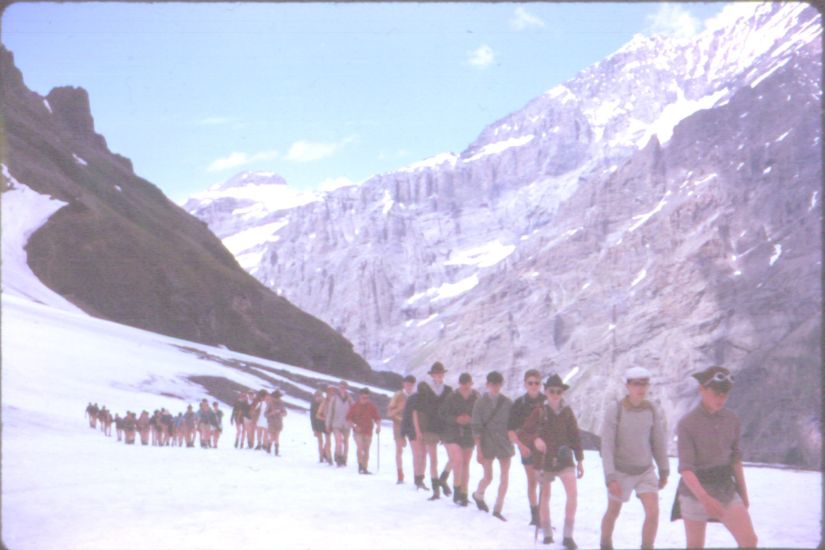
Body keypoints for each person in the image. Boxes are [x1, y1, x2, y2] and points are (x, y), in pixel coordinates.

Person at [673, 366, 757, 549]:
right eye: (717, 393)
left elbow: (735, 458)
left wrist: (743, 493)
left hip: (724, 486)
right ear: (702, 390)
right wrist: (704, 498)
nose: (721, 399)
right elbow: (686, 468)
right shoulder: (687, 423)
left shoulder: (732, 419)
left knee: (749, 541)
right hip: (694, 490)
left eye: (725, 394)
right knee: (695, 546)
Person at [599, 366, 669, 550]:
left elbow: (658, 441)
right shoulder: (615, 410)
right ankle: (605, 544)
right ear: (627, 386)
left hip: (645, 470)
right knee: (613, 511)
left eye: (645, 384)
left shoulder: (652, 409)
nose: (641, 388)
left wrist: (664, 470)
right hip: (621, 471)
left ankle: (647, 546)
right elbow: (606, 445)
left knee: (653, 512)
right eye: (637, 384)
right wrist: (611, 477)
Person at [522, 373, 584, 549]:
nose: (555, 394)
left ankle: (568, 535)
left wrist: (579, 460)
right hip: (544, 459)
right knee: (545, 496)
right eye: (552, 391)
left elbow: (575, 436)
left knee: (572, 494)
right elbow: (524, 432)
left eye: (559, 391)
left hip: (565, 459)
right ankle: (548, 534)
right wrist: (535, 439)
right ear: (546, 391)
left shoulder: (567, 412)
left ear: (562, 392)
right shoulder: (539, 411)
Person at [471, 371, 515, 521]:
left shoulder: (508, 403)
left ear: (501, 385)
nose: (495, 387)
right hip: (487, 442)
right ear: (487, 385)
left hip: (504, 443)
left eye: (498, 384)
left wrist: (513, 438)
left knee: (504, 476)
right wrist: (478, 449)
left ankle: (498, 508)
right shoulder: (480, 403)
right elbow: (476, 426)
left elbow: (513, 424)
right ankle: (478, 494)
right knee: (488, 477)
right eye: (492, 384)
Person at [508, 368, 547, 526]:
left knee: (544, 481)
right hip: (526, 446)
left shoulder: (546, 401)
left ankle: (543, 515)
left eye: (536, 383)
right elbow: (510, 429)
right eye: (530, 383)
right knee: (532, 480)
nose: (533, 385)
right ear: (525, 384)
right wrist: (520, 446)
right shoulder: (518, 404)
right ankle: (535, 515)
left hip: (544, 446)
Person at [413, 361, 453, 500]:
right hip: (429, 427)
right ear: (432, 375)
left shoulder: (448, 390)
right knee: (433, 459)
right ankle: (436, 490)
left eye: (441, 374)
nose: (439, 376)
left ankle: (443, 478)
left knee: (453, 457)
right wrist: (418, 431)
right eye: (436, 374)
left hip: (444, 427)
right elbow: (416, 411)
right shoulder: (425, 390)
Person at [440, 372, 478, 506]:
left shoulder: (476, 397)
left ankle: (464, 494)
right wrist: (456, 419)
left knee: (466, 464)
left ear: (471, 384)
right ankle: (456, 491)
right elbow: (443, 414)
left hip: (468, 433)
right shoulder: (452, 397)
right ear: (459, 384)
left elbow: (481, 416)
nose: (465, 388)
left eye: (468, 386)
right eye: (463, 386)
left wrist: (471, 419)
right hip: (452, 432)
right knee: (458, 461)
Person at [388, 375, 416, 484]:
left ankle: (417, 477)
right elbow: (389, 413)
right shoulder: (397, 395)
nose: (409, 386)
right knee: (399, 450)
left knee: (415, 451)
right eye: (407, 384)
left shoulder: (415, 396)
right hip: (399, 425)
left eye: (411, 385)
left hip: (412, 426)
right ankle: (400, 475)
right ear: (403, 384)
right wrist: (400, 408)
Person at [346, 388, 382, 474]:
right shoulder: (354, 406)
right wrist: (354, 426)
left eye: (367, 398)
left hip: (368, 431)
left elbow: (377, 417)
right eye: (363, 397)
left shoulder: (371, 406)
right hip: (357, 431)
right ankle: (360, 465)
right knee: (360, 447)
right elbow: (348, 419)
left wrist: (378, 426)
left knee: (366, 449)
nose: (365, 400)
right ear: (359, 397)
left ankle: (364, 468)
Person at [401, 383, 429, 490]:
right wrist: (416, 432)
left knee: (422, 455)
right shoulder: (415, 399)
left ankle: (419, 478)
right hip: (413, 430)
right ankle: (418, 479)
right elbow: (412, 414)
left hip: (418, 430)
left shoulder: (421, 398)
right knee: (419, 454)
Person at [326, 380, 355, 466]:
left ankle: (344, 458)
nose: (342, 389)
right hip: (336, 423)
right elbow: (330, 411)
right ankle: (338, 457)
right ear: (338, 388)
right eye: (341, 387)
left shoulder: (349, 398)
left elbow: (354, 409)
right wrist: (328, 424)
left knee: (346, 441)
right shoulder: (334, 398)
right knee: (338, 441)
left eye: (344, 387)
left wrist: (353, 422)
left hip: (347, 423)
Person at [266, 390, 288, 455]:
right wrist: (272, 413)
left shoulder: (281, 403)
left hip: (279, 422)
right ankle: (270, 447)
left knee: (277, 436)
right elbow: (265, 414)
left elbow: (285, 413)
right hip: (271, 422)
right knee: (273, 436)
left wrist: (281, 413)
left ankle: (275, 450)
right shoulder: (270, 403)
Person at [310, 390, 328, 463]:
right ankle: (321, 457)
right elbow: (312, 417)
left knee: (327, 441)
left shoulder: (325, 402)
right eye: (316, 397)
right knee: (320, 441)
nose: (318, 398)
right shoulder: (313, 405)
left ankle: (324, 452)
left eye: (319, 396)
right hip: (317, 424)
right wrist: (314, 429)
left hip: (325, 423)